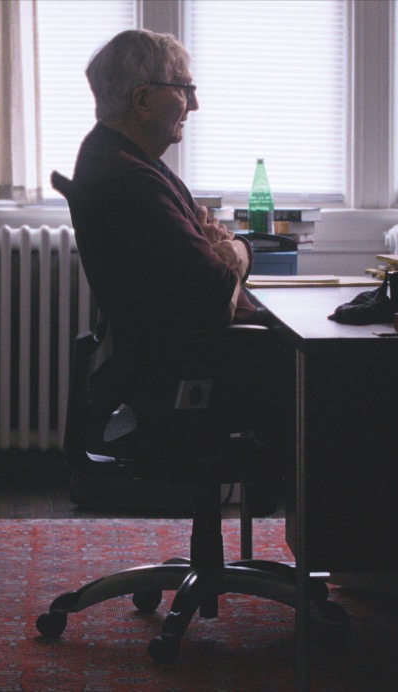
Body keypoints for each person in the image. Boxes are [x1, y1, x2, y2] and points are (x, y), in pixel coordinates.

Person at [70, 29, 288, 511]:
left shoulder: (124, 161)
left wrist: (228, 253)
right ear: (143, 100)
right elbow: (213, 291)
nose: (194, 105)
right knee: (348, 375)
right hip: (194, 371)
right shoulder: (132, 182)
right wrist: (236, 255)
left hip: (172, 363)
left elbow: (210, 270)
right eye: (184, 89)